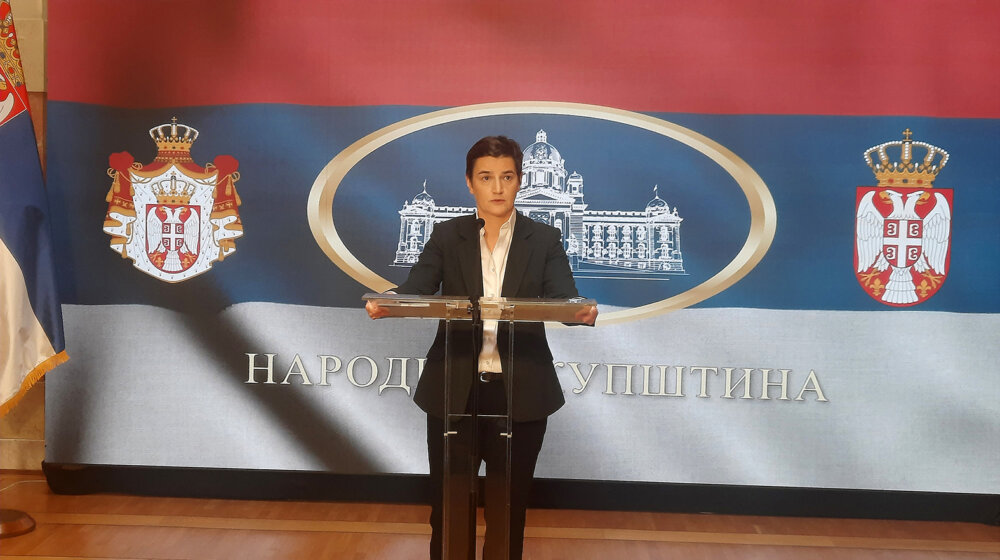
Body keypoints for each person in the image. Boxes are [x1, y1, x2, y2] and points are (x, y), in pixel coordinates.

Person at [366, 135, 597, 560]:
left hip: (521, 391)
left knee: (508, 512)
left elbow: (564, 298)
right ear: (469, 182)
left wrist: (578, 311)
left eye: (507, 177)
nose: (497, 188)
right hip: (455, 388)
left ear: (520, 181)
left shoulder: (544, 239)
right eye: (486, 177)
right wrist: (390, 302)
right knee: (449, 510)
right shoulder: (448, 234)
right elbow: (417, 287)